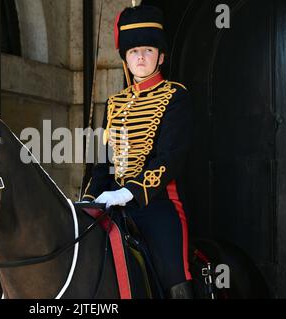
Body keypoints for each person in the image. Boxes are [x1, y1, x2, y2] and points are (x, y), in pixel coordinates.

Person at [81, 4, 194, 299]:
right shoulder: (114, 103)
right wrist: (90, 200)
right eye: (133, 51)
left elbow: (170, 158)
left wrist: (128, 192)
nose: (140, 57)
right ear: (126, 59)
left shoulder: (176, 96)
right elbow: (102, 163)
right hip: (112, 207)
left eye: (147, 49)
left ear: (161, 56)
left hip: (155, 205)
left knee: (175, 278)